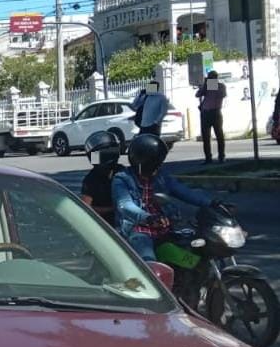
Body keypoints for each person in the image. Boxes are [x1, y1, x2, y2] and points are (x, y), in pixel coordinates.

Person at [112, 134, 215, 262]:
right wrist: (147, 218)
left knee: (197, 252)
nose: (159, 167)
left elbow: (183, 191)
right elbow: (125, 205)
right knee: (150, 265)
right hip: (138, 230)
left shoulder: (161, 177)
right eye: (156, 163)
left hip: (165, 226)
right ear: (144, 162)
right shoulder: (122, 179)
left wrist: (211, 203)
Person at [80, 130, 124, 226]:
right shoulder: (91, 179)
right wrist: (113, 209)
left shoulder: (123, 172)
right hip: (106, 225)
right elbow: (86, 208)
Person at [195, 70, 227, 164]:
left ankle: (221, 156)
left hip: (215, 112)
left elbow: (222, 94)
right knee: (206, 137)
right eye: (210, 78)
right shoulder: (206, 87)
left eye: (213, 77)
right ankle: (208, 157)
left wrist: (213, 86)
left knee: (219, 135)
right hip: (206, 113)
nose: (211, 79)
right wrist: (205, 86)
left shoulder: (220, 86)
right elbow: (197, 94)